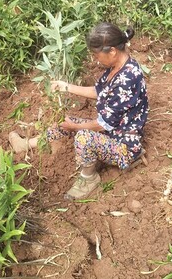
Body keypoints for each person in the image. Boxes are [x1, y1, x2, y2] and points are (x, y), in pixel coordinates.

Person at [8, 22, 149, 200]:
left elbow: (102, 124)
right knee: (64, 122)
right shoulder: (116, 68)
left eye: (97, 55)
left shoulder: (128, 78)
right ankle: (27, 144)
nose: (96, 59)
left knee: (83, 136)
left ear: (112, 51)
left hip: (124, 145)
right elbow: (99, 91)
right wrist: (65, 87)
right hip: (110, 131)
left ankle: (88, 178)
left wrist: (74, 126)